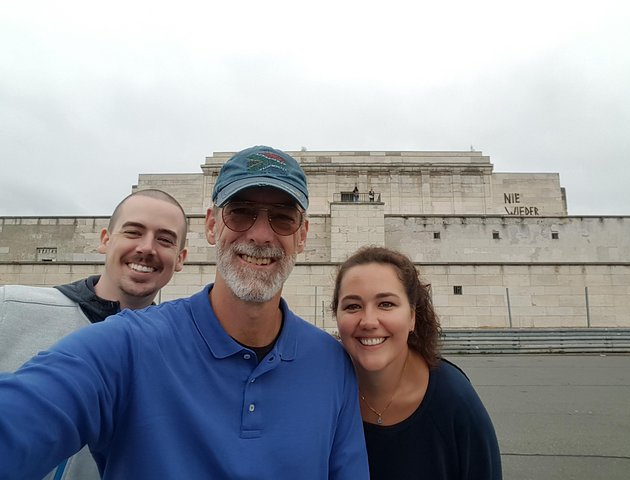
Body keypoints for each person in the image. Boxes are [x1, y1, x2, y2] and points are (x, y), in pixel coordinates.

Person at [0, 146, 369, 479]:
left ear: (302, 236)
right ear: (211, 225)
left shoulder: (332, 365)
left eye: (282, 218)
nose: (260, 234)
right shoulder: (126, 346)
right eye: (240, 213)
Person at [0, 188, 189, 480]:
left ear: (180, 258)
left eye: (164, 239)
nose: (147, 248)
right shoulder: (10, 308)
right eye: (133, 232)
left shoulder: (182, 354)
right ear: (105, 240)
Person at [332, 246, 502, 480]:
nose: (368, 321)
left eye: (386, 304)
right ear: (337, 316)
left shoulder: (455, 401)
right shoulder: (323, 391)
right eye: (353, 306)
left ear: (412, 316)